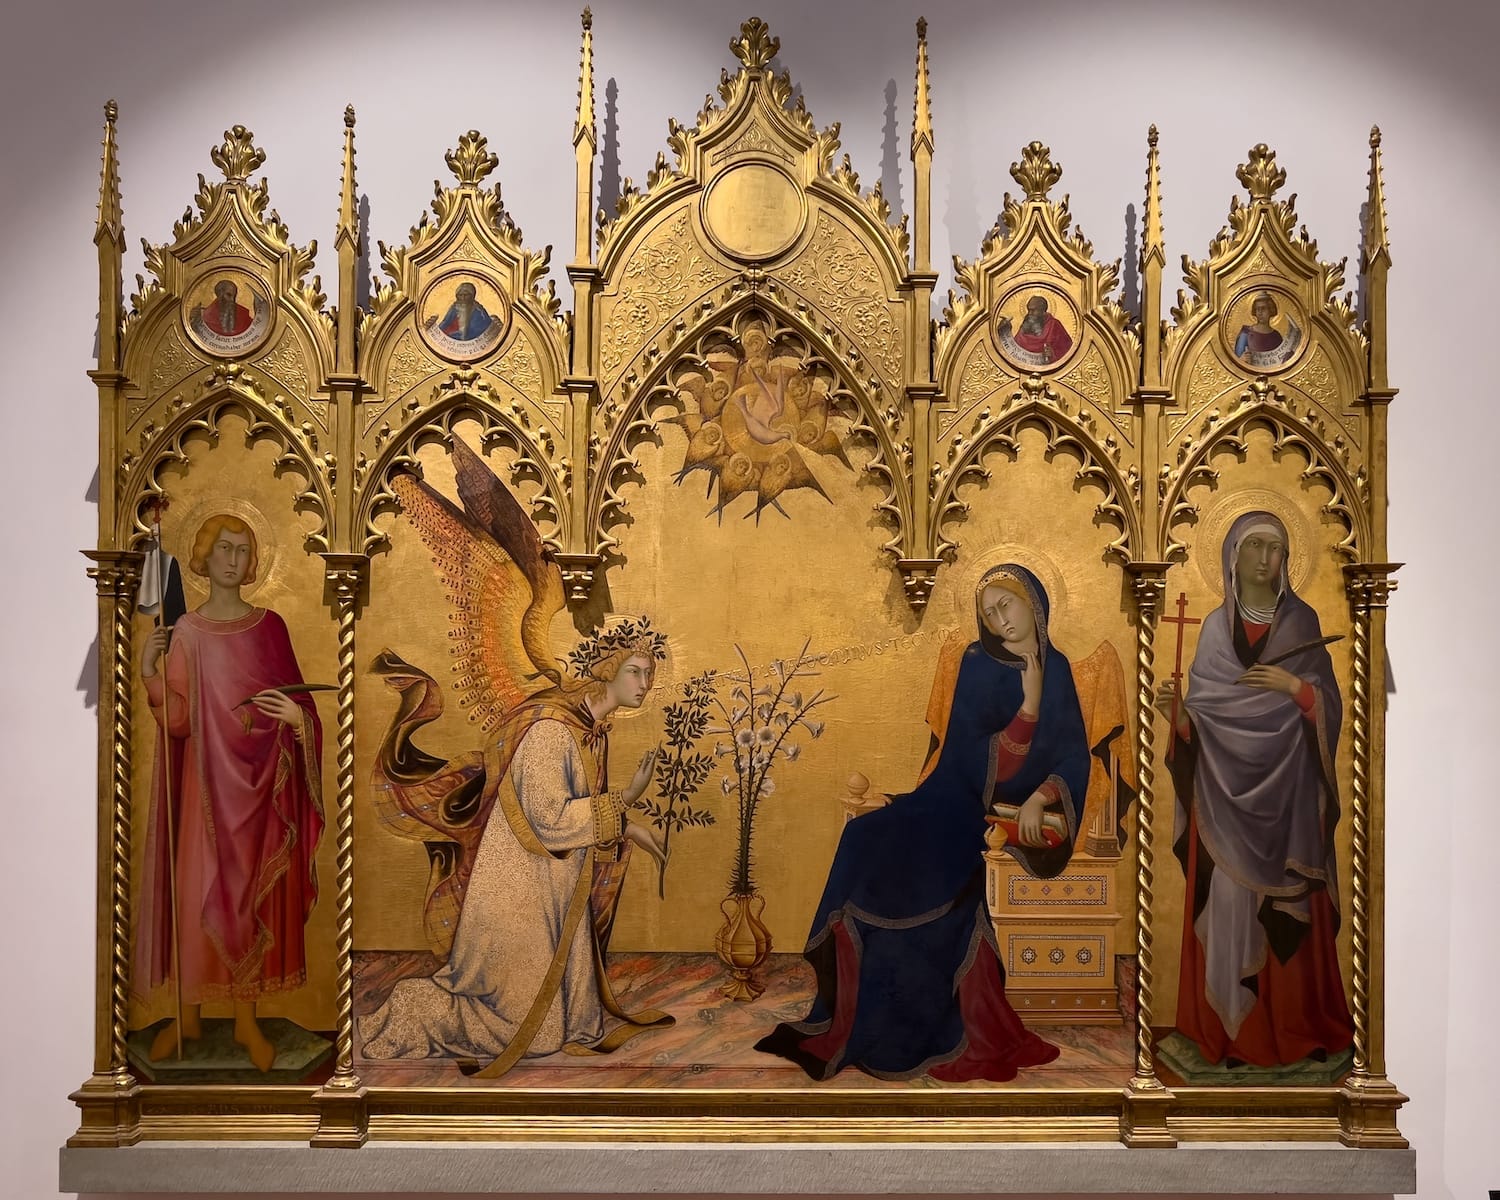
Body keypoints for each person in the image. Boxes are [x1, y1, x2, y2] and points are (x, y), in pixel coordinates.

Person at [756, 564, 1091, 1081]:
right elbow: (965, 753)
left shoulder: (1059, 669)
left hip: (1000, 811)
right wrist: (1028, 705)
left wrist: (1040, 797)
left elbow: (1074, 755)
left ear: (1032, 601)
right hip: (954, 795)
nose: (1000, 619)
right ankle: (853, 1012)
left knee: (910, 856)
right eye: (988, 613)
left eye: (1006, 604)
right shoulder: (976, 661)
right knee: (862, 836)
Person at [358, 642, 673, 1072]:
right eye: (635, 672)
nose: (646, 683)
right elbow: (549, 820)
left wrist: (628, 826)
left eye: (650, 674)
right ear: (606, 673)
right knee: (529, 1033)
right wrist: (626, 798)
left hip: (551, 885)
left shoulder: (587, 730)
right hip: (516, 894)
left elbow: (575, 817)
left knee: (568, 1024)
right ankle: (410, 1010)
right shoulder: (550, 732)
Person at [1157, 511, 1353, 1067]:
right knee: (1227, 904)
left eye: (1276, 548)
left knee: (1287, 912)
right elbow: (1206, 720)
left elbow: (1329, 709)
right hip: (1223, 802)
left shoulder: (1302, 621)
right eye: (1255, 546)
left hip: (1289, 803)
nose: (1266, 558)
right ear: (1232, 556)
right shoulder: (1215, 631)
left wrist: (1298, 690)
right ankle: (1228, 1037)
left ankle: (1294, 1031)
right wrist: (1181, 720)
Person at [135, 514, 324, 1073]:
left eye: (243, 550)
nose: (233, 560)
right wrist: (150, 671)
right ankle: (187, 1017)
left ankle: (246, 1021)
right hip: (205, 792)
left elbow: (299, 702)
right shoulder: (187, 633)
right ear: (202, 555)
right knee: (198, 897)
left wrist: (297, 719)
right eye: (223, 548)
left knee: (250, 899)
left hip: (262, 792)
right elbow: (178, 720)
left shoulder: (271, 628)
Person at [998, 295, 1073, 364]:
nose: (1030, 313)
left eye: (1033, 310)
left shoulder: (1054, 325)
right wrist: (1005, 331)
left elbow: (1068, 350)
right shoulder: (1026, 326)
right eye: (1029, 310)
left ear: (1043, 311)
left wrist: (1053, 354)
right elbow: (1014, 349)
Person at [1233, 292, 1300, 367]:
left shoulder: (1276, 336)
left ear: (1270, 310)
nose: (1260, 313)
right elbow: (1236, 362)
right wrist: (1242, 360)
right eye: (1257, 309)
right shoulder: (1246, 333)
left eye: (1263, 308)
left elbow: (1281, 361)